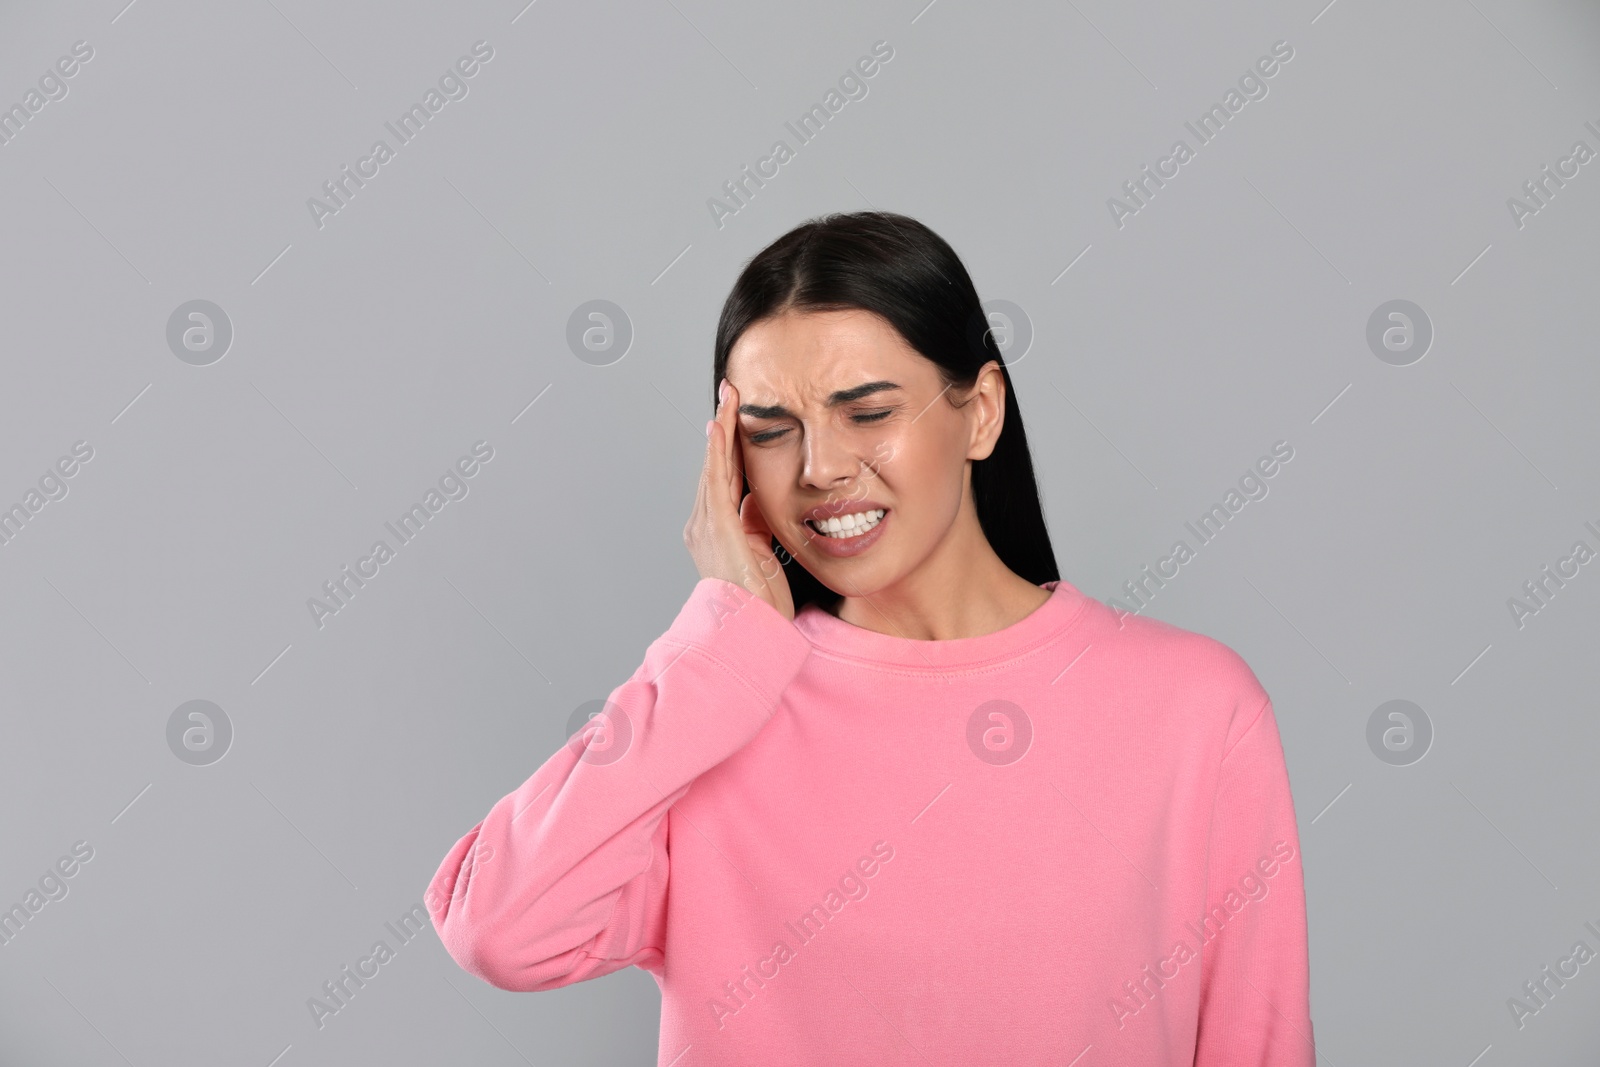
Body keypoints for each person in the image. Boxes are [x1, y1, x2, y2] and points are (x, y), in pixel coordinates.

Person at [426, 211, 1315, 1065]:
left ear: (981, 411)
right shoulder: (710, 719)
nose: (818, 468)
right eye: (771, 432)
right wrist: (719, 640)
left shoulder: (1197, 708)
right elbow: (499, 928)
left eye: (868, 411)